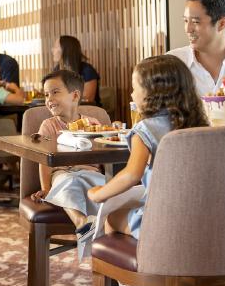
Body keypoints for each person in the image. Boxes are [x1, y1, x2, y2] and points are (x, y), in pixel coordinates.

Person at [87, 55, 209, 237]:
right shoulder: (200, 125)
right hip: (202, 215)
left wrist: (100, 194)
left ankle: (132, 264)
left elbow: (131, 174)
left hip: (162, 221)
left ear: (151, 94)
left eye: (135, 88)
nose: (131, 94)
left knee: (112, 218)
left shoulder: (145, 129)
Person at [31, 69, 106, 250]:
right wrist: (46, 188)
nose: (49, 99)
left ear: (74, 95)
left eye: (55, 92)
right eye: (46, 94)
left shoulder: (92, 124)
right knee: (67, 182)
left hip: (90, 173)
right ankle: (82, 223)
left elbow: (104, 154)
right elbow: (44, 157)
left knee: (103, 188)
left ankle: (108, 250)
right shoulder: (49, 125)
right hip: (62, 172)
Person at [52, 35, 101, 104]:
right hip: (64, 110)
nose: (52, 50)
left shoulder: (87, 70)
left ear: (66, 49)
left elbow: (88, 99)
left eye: (56, 46)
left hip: (87, 110)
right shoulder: (56, 70)